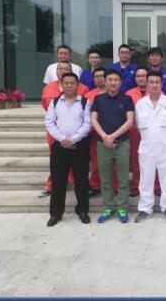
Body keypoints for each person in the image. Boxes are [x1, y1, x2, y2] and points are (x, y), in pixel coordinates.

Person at [43, 73, 91, 226]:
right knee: (58, 182)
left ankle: (82, 211)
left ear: (78, 85)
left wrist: (73, 139)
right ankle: (56, 214)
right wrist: (62, 139)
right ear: (62, 85)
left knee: (81, 181)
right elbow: (49, 122)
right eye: (66, 83)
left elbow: (87, 124)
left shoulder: (85, 102)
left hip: (79, 146)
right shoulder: (55, 102)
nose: (69, 85)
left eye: (72, 83)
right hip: (60, 147)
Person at [134, 71, 166, 223]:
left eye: (157, 82)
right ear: (147, 84)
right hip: (146, 147)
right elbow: (137, 124)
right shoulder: (140, 104)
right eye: (151, 82)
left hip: (165, 147)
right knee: (145, 179)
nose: (154, 85)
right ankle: (145, 209)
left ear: (161, 83)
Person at [90, 69, 135, 224]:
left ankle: (122, 207)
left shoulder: (127, 99)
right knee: (105, 179)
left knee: (123, 178)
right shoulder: (98, 99)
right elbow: (93, 120)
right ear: (105, 81)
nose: (113, 82)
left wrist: (113, 136)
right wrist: (105, 137)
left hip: (122, 143)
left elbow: (130, 121)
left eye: (116, 80)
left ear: (120, 82)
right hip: (103, 144)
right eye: (110, 79)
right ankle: (108, 207)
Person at [39, 61, 89, 197]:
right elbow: (45, 106)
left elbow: (86, 111)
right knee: (56, 162)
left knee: (77, 163)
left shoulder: (83, 88)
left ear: (72, 70)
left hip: (77, 134)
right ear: (56, 71)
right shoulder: (48, 88)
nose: (63, 71)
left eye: (66, 68)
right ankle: (52, 185)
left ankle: (75, 184)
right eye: (60, 68)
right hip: (55, 132)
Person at [84, 67, 117, 196]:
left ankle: (115, 186)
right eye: (97, 77)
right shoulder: (88, 95)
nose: (100, 78)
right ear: (93, 79)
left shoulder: (115, 93)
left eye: (102, 76)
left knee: (114, 162)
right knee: (96, 162)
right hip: (95, 134)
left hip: (113, 133)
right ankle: (95, 185)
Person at [125, 67, 149, 197]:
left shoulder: (157, 92)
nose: (141, 78)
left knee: (154, 159)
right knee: (136, 159)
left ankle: (156, 186)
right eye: (138, 76)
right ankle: (136, 185)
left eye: (144, 76)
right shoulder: (129, 94)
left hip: (152, 132)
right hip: (134, 131)